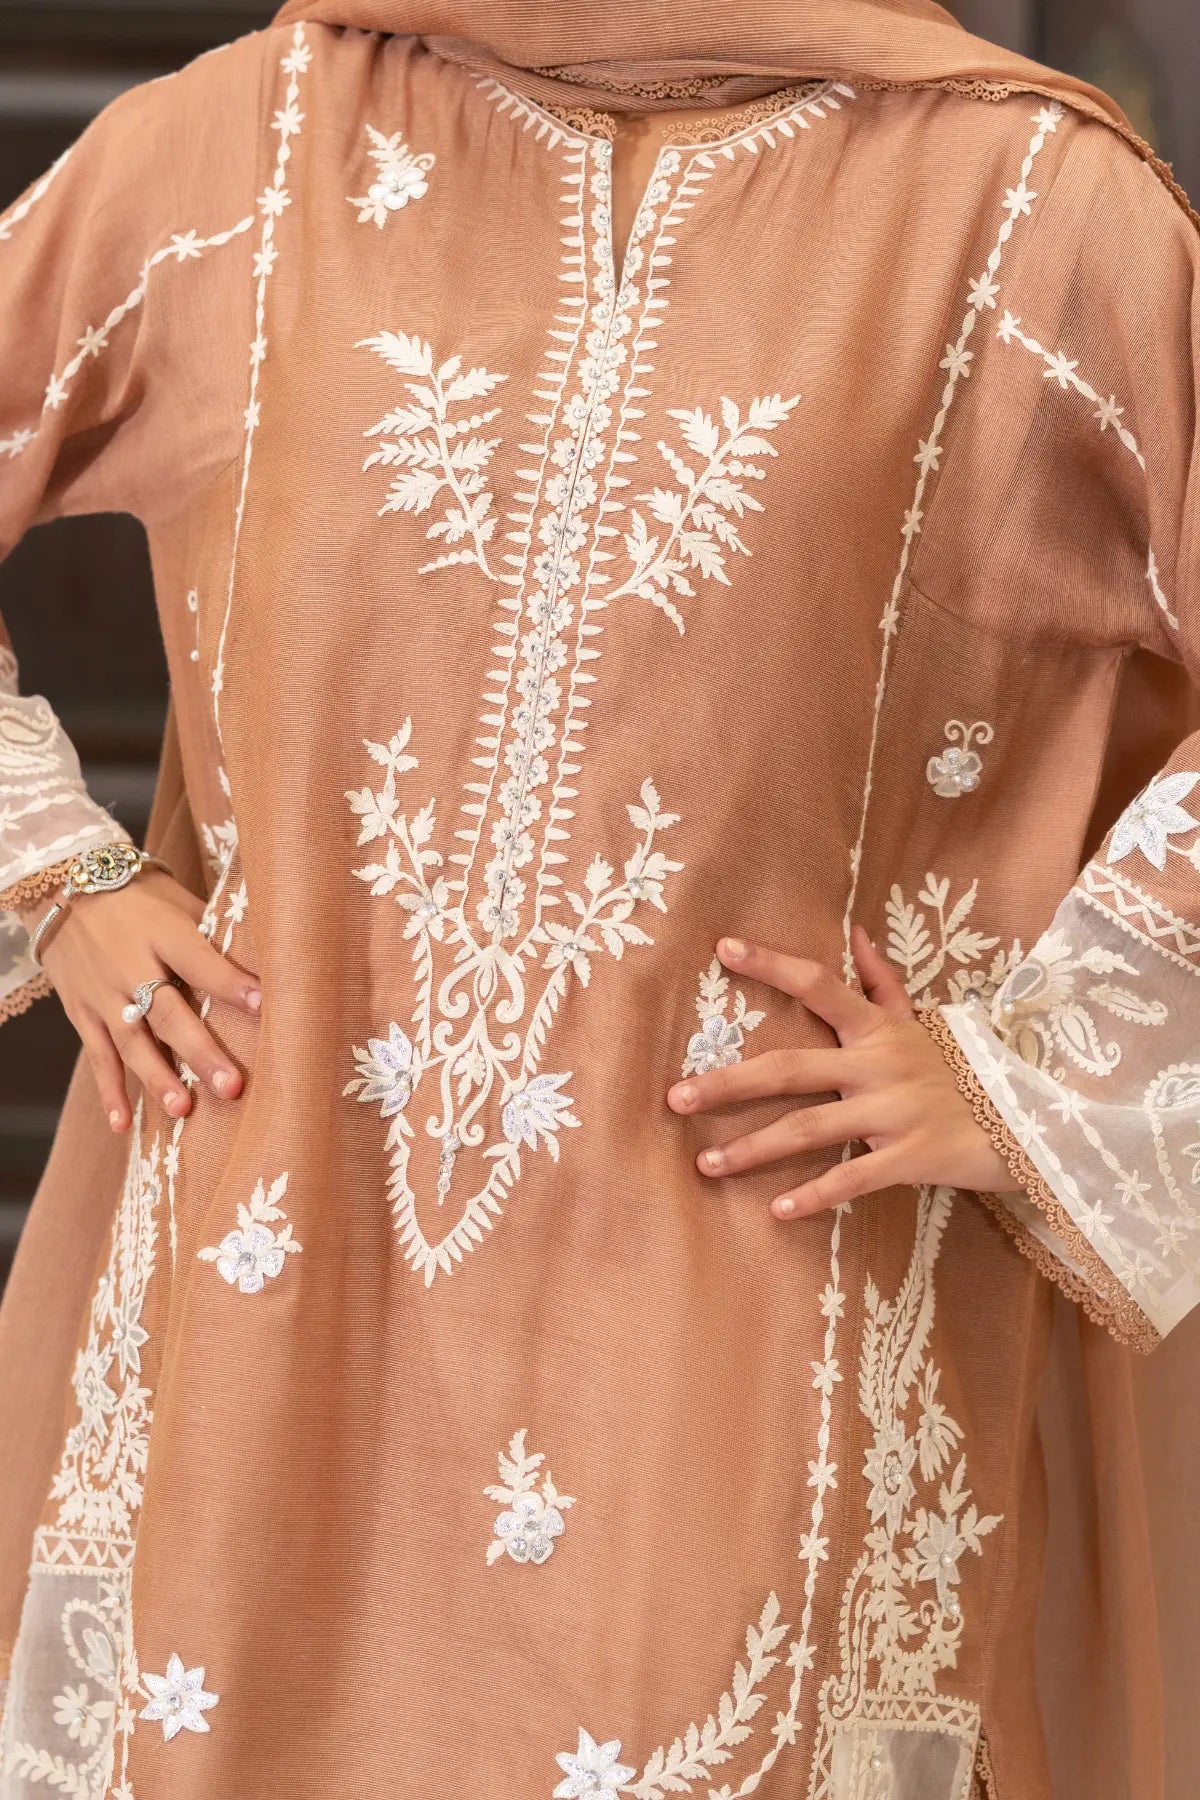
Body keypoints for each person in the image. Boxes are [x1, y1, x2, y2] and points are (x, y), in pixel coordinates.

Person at [0, 1, 1197, 1794]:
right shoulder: (258, 141)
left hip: (748, 1334)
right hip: (272, 1294)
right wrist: (55, 870)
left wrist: (1040, 1069)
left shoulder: (1030, 204)